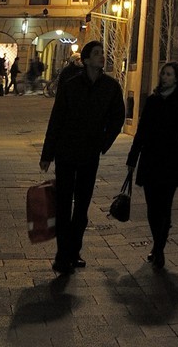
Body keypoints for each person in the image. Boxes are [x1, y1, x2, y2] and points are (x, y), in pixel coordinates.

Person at [39, 39, 125, 275]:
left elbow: (118, 117)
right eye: (96, 53)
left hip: (89, 154)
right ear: (86, 60)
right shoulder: (71, 85)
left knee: (82, 206)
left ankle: (74, 251)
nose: (101, 56)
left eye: (102, 53)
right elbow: (56, 119)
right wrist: (47, 154)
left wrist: (103, 143)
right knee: (64, 204)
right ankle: (62, 255)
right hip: (66, 152)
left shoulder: (110, 87)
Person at [125, 60, 178, 269]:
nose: (165, 77)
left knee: (165, 207)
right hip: (150, 159)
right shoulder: (153, 101)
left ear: (177, 78)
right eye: (163, 74)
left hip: (171, 160)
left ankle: (159, 249)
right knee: (152, 207)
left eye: (169, 74)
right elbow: (142, 131)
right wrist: (132, 158)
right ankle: (157, 243)